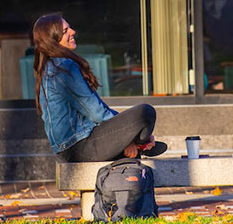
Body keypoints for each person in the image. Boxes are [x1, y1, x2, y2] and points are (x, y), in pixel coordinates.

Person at [33, 13, 166, 162]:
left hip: (71, 148)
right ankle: (141, 144)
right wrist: (130, 136)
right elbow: (96, 112)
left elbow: (96, 110)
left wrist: (127, 134)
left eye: (69, 28)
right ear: (53, 39)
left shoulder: (51, 68)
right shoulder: (63, 67)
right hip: (80, 147)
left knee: (136, 120)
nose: (73, 32)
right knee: (145, 112)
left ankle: (137, 144)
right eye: (65, 31)